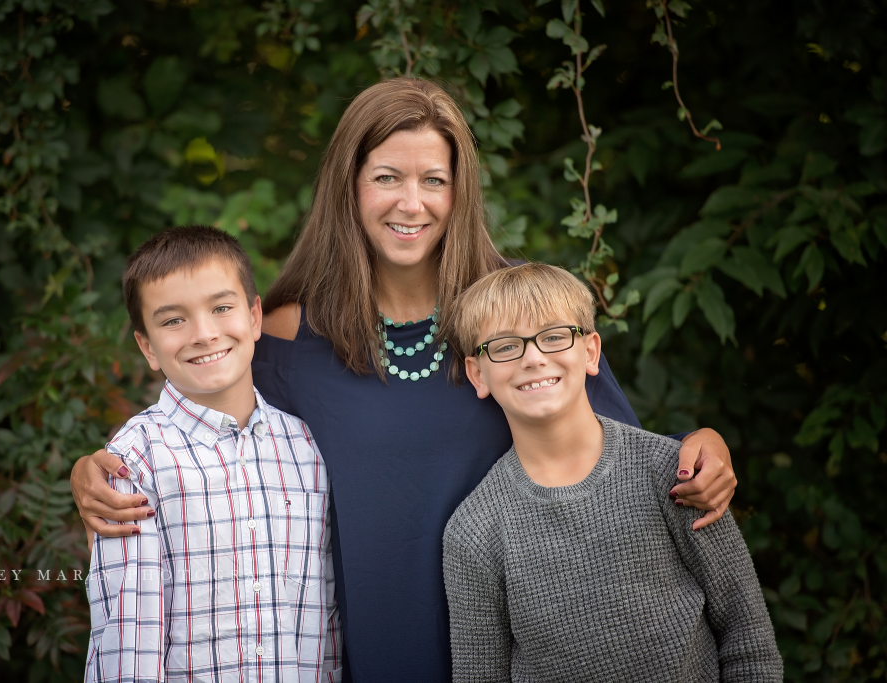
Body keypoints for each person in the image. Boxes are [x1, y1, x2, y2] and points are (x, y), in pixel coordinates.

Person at [71, 79, 738, 682]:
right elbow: (210, 433)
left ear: (459, 190)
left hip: (527, 650)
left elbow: (611, 455)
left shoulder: (516, 317)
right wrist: (98, 467)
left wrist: (700, 442)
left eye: (434, 181)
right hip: (368, 652)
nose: (411, 203)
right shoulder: (281, 335)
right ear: (350, 184)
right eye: (387, 177)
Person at [443, 262, 781, 682]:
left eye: (552, 337)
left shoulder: (672, 475)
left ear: (590, 352)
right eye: (506, 346)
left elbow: (749, 643)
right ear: (478, 373)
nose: (533, 358)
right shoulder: (475, 531)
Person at [84, 227, 341, 682]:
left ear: (255, 316)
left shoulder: (307, 448)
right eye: (172, 321)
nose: (204, 334)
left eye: (222, 308)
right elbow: (129, 642)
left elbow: (328, 621)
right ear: (147, 347)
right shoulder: (135, 463)